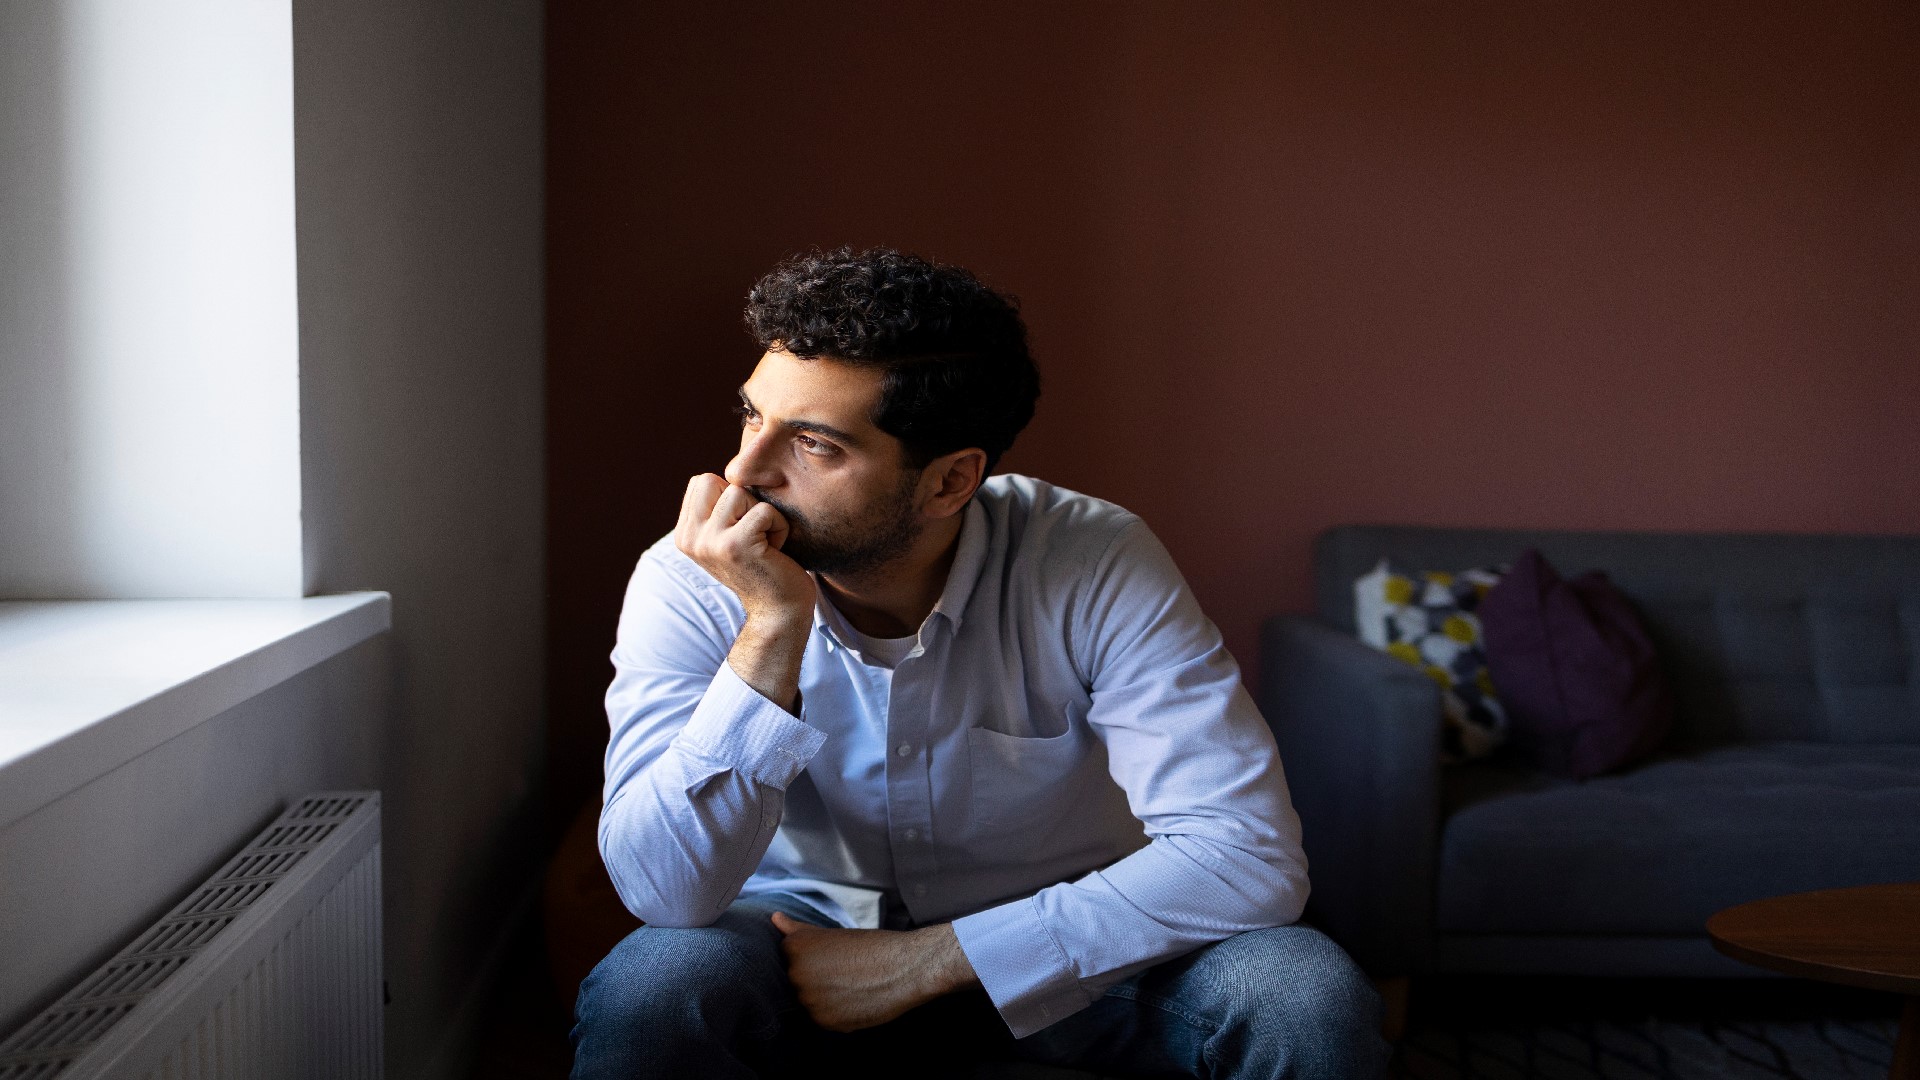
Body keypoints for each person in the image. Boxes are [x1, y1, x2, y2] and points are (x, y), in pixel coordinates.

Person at [571, 248, 1389, 1079]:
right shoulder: (689, 578)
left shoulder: (1092, 559)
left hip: (1078, 951)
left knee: (1301, 992)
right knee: (653, 988)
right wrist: (773, 630)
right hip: (798, 948)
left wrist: (934, 959)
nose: (744, 471)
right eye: (753, 417)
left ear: (951, 481)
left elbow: (1246, 855)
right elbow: (665, 895)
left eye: (814, 444)